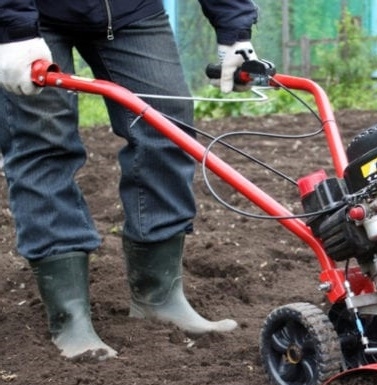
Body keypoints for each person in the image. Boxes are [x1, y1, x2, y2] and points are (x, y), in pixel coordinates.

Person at [0, 1, 259, 360]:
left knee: (166, 124)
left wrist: (235, 29)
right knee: (44, 141)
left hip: (130, 10)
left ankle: (160, 297)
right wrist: (14, 28)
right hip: (31, 13)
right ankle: (70, 316)